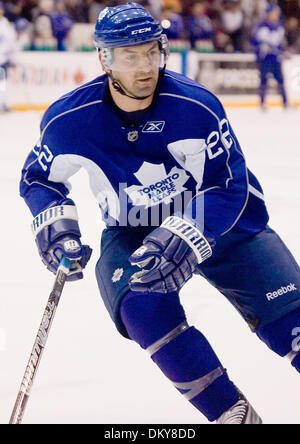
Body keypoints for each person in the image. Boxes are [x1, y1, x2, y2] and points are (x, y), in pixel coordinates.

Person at [20, 2, 300, 424]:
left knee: (293, 326)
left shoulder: (195, 107)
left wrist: (187, 232)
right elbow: (39, 179)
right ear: (105, 59)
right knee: (142, 306)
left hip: (222, 222)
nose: (146, 65)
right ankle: (231, 414)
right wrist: (56, 227)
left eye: (152, 51)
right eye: (130, 55)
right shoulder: (70, 120)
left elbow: (228, 183)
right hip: (133, 230)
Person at [251, 4, 288, 109]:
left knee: (280, 80)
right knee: (264, 80)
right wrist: (260, 49)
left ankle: (285, 102)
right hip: (265, 58)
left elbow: (280, 42)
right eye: (274, 13)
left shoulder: (279, 26)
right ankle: (262, 102)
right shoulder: (261, 26)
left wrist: (283, 50)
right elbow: (255, 41)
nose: (276, 15)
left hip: (276, 57)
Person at [0, 1, 18, 112]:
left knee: (2, 84)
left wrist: (12, 58)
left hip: (1, 61)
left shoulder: (6, 27)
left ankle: (3, 104)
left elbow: (11, 45)